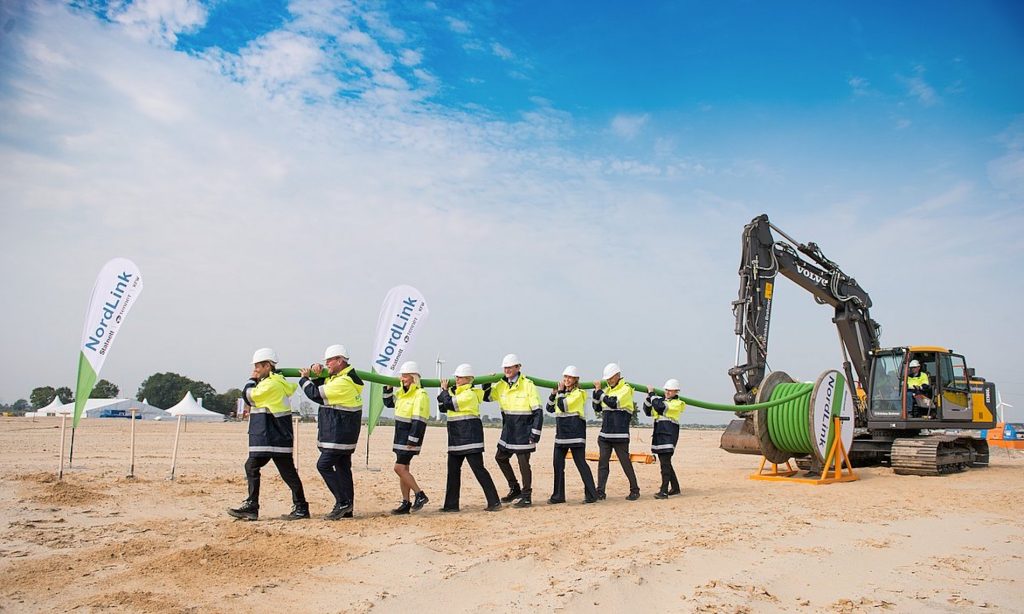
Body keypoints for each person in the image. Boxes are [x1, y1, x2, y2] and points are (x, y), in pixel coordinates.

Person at [228, 348, 309, 521]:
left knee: (254, 467)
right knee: (285, 472)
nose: (255, 369)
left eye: (258, 366)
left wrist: (251, 379)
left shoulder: (271, 384)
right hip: (276, 437)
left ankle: (252, 506)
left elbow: (249, 396)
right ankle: (300, 507)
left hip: (271, 436)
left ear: (267, 365)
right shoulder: (274, 382)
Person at [299, 344, 362, 520]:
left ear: (340, 361)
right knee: (343, 469)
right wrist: (316, 371)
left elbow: (317, 395)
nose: (327, 364)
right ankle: (347, 508)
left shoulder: (343, 382)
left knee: (323, 465)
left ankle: (343, 502)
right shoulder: (340, 378)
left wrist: (304, 379)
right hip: (343, 434)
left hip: (338, 434)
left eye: (329, 361)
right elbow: (326, 392)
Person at [436, 363, 502, 512]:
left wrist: (444, 391)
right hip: (455, 439)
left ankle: (494, 502)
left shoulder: (470, 394)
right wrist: (445, 392)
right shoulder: (456, 392)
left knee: (479, 470)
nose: (457, 379)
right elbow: (442, 407)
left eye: (460, 377)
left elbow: (449, 404)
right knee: (452, 472)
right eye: (456, 377)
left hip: (470, 439)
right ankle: (451, 505)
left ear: (469, 379)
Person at [482, 353, 543, 508]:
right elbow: (487, 397)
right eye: (505, 367)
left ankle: (527, 496)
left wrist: (535, 433)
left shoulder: (528, 384)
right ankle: (514, 488)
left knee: (524, 464)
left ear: (518, 367)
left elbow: (538, 411)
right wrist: (487, 382)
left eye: (510, 367)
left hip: (524, 431)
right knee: (500, 457)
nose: (507, 370)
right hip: (508, 431)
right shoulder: (501, 384)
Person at [546, 365, 598, 504]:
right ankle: (558, 496)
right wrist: (553, 394)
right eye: (565, 377)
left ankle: (592, 495)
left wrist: (561, 392)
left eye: (570, 377)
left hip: (575, 433)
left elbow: (563, 405)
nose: (567, 379)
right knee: (557, 464)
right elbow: (550, 408)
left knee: (580, 463)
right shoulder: (561, 394)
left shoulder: (579, 393)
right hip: (561, 433)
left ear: (576, 379)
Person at [383, 361, 430, 514]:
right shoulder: (401, 393)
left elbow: (419, 419)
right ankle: (406, 503)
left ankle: (420, 494)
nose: (401, 379)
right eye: (401, 376)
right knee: (404, 469)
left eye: (405, 376)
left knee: (399, 468)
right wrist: (388, 388)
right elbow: (389, 403)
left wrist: (413, 439)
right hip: (399, 437)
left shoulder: (420, 394)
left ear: (413, 378)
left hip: (410, 439)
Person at [592, 362, 640, 501]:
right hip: (605, 434)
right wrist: (596, 394)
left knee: (625, 462)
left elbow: (613, 402)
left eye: (611, 377)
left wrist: (600, 392)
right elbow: (597, 408)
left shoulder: (626, 389)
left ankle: (635, 490)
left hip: (620, 435)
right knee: (603, 463)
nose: (608, 380)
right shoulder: (607, 390)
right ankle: (600, 491)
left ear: (618, 375)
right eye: (607, 378)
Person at [644, 379, 685, 499]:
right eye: (666, 390)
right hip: (660, 435)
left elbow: (660, 407)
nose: (667, 392)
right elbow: (648, 411)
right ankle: (675, 488)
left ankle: (664, 491)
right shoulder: (661, 400)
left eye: (670, 390)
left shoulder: (677, 403)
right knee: (665, 462)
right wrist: (648, 398)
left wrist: (652, 395)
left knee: (665, 464)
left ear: (676, 391)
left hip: (669, 435)